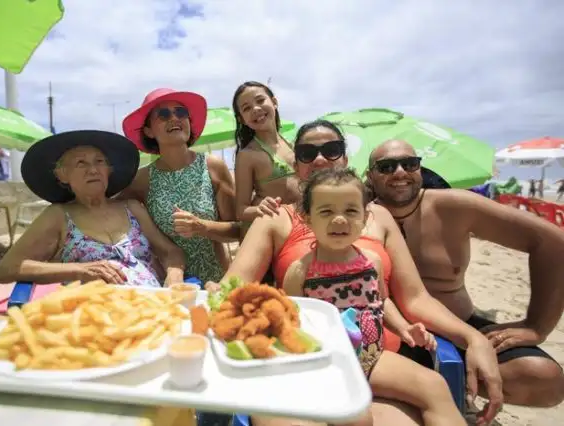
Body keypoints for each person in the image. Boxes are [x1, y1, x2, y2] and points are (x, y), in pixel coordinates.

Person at [209, 121, 503, 426]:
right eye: (308, 153)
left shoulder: (377, 218)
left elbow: (410, 298)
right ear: (295, 165)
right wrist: (220, 291)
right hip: (315, 356)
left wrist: (471, 338)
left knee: (433, 387)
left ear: (346, 160)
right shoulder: (276, 218)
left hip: (375, 356)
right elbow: (245, 288)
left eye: (332, 149)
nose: (321, 159)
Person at [366, 139, 564, 408]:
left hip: (457, 324)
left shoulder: (455, 207)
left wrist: (536, 326)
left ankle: (453, 384)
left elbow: (551, 241)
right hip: (396, 332)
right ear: (371, 176)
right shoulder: (361, 214)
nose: (400, 172)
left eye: (409, 163)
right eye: (386, 166)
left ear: (419, 170)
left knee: (543, 379)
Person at [283, 167, 463, 425]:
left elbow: (381, 301)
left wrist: (404, 328)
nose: (339, 220)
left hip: (372, 358)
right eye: (326, 212)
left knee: (435, 385)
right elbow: (292, 324)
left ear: (365, 217)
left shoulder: (372, 262)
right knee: (358, 418)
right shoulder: (301, 271)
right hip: (328, 365)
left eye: (350, 211)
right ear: (307, 218)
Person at [0, 130, 185, 287]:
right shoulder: (59, 215)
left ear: (109, 170)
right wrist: (80, 270)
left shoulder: (131, 208)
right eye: (81, 163)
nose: (93, 170)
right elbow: (7, 269)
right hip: (93, 316)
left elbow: (170, 251)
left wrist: (174, 276)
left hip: (153, 307)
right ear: (62, 175)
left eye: (99, 161)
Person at [120, 88, 238, 284]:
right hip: (170, 284)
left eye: (181, 113)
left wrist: (201, 226)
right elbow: (109, 210)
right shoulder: (142, 179)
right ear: (148, 130)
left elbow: (237, 231)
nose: (174, 118)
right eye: (164, 115)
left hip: (217, 281)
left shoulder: (213, 167)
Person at [232, 81, 300, 224]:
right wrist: (260, 209)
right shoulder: (247, 155)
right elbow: (241, 211)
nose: (256, 109)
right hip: (278, 227)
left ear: (274, 102)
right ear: (241, 119)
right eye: (246, 108)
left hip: (303, 222)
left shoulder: (294, 145)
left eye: (260, 100)